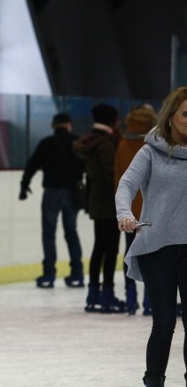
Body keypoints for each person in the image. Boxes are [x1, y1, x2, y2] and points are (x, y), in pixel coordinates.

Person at [116, 87, 187, 387]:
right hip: (158, 246)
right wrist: (124, 213)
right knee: (164, 324)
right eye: (186, 114)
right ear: (171, 115)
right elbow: (126, 185)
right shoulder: (151, 152)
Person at [19, 112, 86, 289]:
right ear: (69, 125)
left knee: (49, 233)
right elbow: (87, 167)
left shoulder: (46, 143)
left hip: (51, 193)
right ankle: (77, 273)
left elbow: (31, 164)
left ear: (53, 126)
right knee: (71, 232)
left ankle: (49, 274)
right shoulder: (77, 142)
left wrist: (24, 186)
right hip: (72, 193)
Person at [75, 103, 124, 313]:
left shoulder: (90, 140)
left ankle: (93, 292)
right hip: (109, 202)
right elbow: (111, 173)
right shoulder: (105, 143)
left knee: (99, 248)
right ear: (111, 121)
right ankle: (107, 294)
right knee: (110, 249)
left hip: (96, 200)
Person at [114, 104, 157, 315]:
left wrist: (122, 208)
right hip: (153, 212)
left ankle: (130, 297)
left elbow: (119, 178)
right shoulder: (155, 148)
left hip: (130, 212)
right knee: (153, 257)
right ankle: (150, 300)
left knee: (129, 253)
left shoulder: (123, 144)